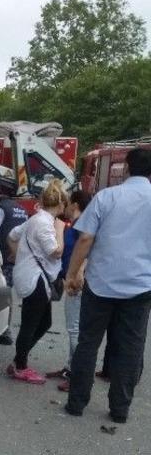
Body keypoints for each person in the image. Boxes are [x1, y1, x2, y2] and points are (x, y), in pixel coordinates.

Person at [64, 148, 151, 422]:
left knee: (88, 343)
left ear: (126, 168)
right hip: (140, 287)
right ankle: (120, 410)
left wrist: (72, 273)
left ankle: (76, 404)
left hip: (101, 284)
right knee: (130, 349)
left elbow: (86, 239)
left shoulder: (106, 197)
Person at [6, 179, 67, 383]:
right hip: (35, 280)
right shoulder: (45, 223)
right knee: (30, 325)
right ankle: (20, 366)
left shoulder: (36, 218)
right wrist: (60, 230)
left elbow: (12, 236)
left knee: (44, 322)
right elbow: (55, 251)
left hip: (31, 277)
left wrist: (18, 256)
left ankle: (18, 360)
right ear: (60, 205)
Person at [51, 189, 93, 391]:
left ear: (75, 205)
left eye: (68, 203)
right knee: (74, 327)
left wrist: (76, 275)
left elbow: (86, 251)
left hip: (77, 281)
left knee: (75, 328)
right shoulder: (78, 224)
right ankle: (70, 367)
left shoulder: (81, 226)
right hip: (74, 278)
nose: (65, 207)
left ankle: (76, 374)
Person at [0, 167, 28, 345]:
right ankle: (5, 330)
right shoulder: (20, 209)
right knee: (7, 293)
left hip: (2, 258)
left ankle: (1, 329)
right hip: (17, 258)